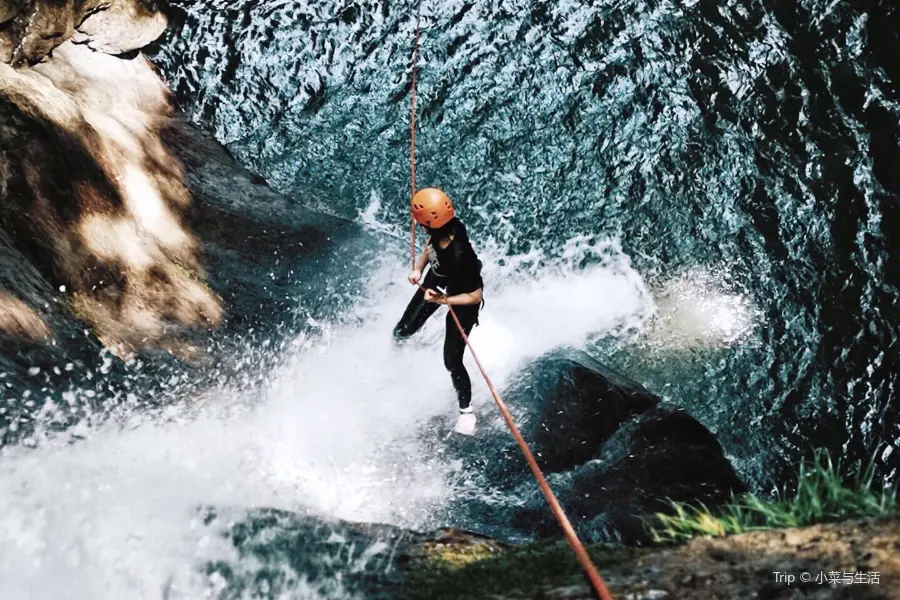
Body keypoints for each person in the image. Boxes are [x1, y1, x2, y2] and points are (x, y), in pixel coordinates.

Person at [393, 187, 484, 436]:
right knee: (402, 329)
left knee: (451, 360)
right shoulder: (446, 226)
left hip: (462, 299)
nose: (420, 227)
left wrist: (443, 299)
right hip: (439, 281)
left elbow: (475, 296)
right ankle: (395, 353)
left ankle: (467, 412)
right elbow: (430, 247)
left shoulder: (460, 255)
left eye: (422, 223)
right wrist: (418, 270)